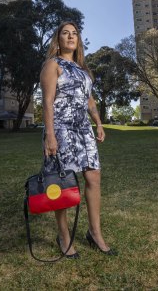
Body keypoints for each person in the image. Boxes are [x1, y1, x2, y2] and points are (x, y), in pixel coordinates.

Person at [40, 21, 117, 259]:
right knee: (63, 182)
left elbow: (90, 100)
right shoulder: (53, 65)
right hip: (61, 129)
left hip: (83, 129)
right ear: (58, 39)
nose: (70, 36)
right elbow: (47, 102)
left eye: (74, 33)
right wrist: (50, 135)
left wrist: (99, 122)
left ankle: (94, 233)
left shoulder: (83, 70)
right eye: (65, 33)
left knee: (93, 176)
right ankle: (63, 236)